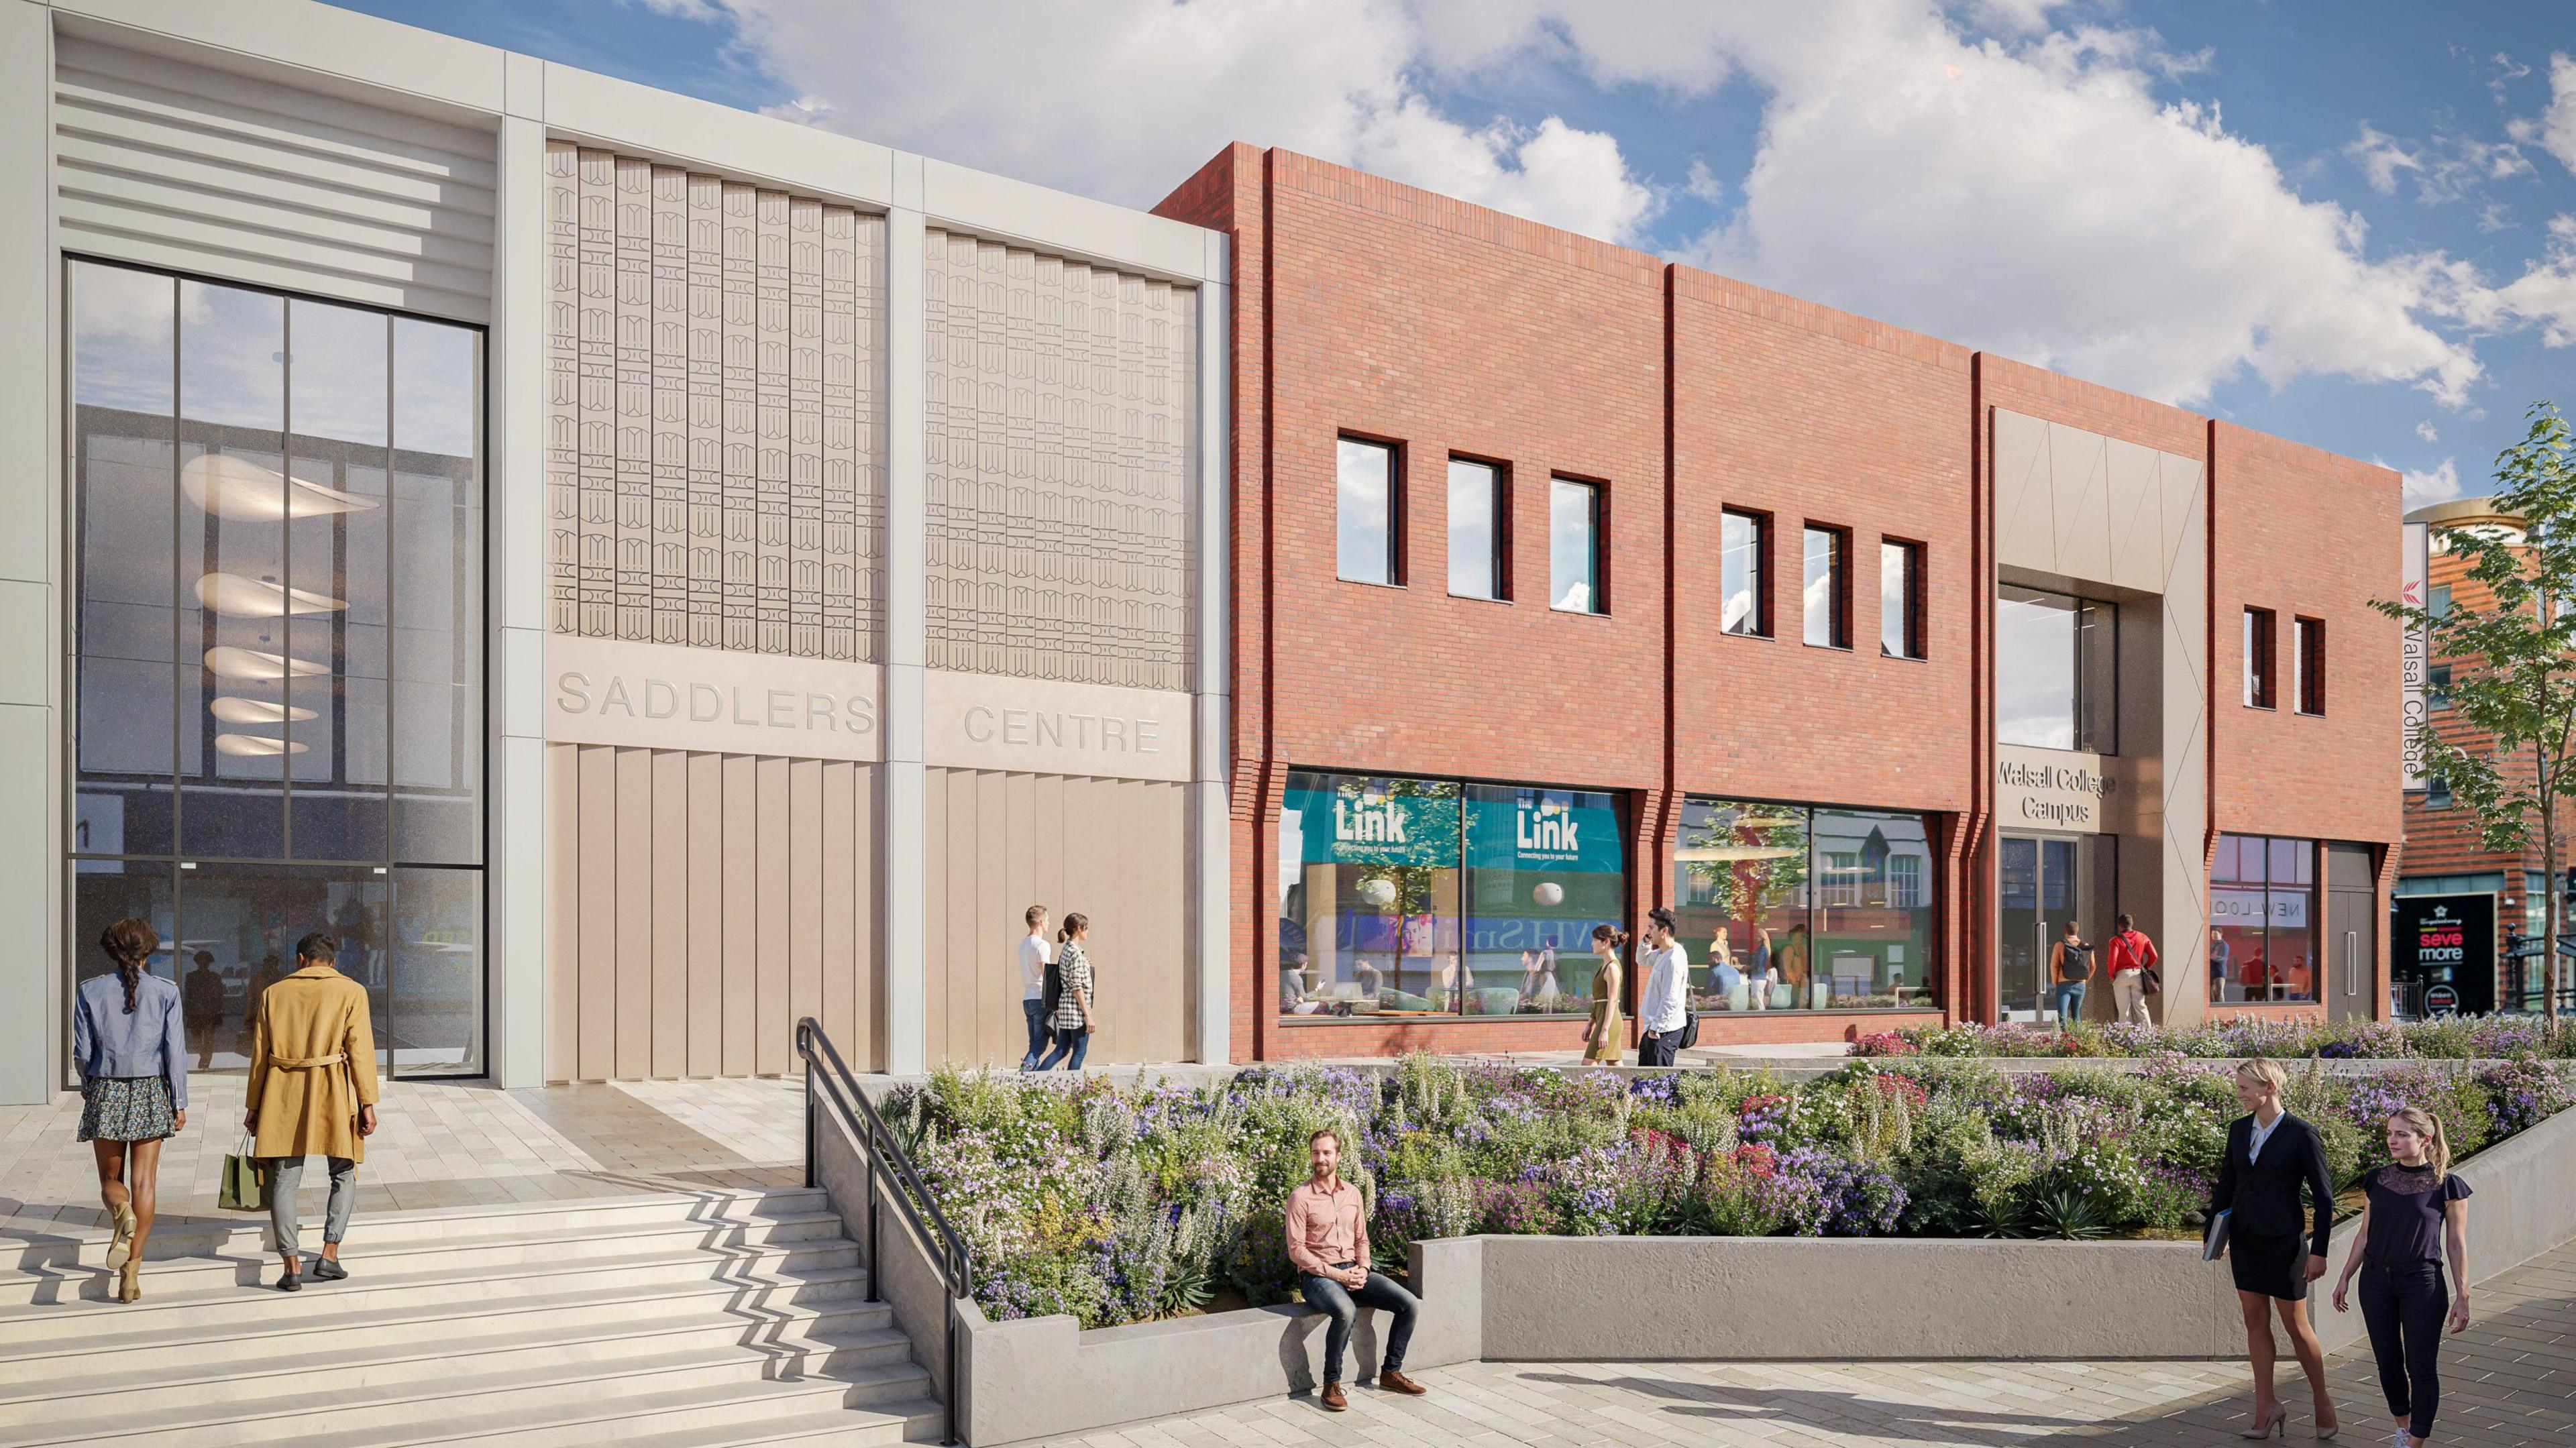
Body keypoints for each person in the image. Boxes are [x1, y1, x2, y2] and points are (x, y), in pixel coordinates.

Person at [2210, 1059, 2339, 1441]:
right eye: (2239, 1087)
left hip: (2285, 1244)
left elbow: (2325, 1197)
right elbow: (2226, 1183)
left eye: (2245, 1088)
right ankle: (2265, 1408)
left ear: (2268, 1088)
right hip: (2246, 1241)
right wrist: (2213, 1234)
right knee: (2254, 1322)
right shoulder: (2238, 1130)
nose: (2240, 1094)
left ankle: (2322, 1400)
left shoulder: (2302, 1134)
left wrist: (2320, 1251)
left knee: (2297, 1327)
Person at [246, 932, 381, 1293]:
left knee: (284, 1180)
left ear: (300, 959)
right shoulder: (351, 991)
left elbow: (260, 1056)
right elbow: (361, 1052)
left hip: (281, 1091)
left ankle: (290, 1265)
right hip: (332, 1088)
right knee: (344, 1172)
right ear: (332, 962)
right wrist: (367, 1102)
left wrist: (254, 1106)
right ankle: (329, 1254)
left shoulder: (273, 993)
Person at [2332, 1107, 2472, 1448]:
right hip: (2376, 1280)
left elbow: (2455, 1244)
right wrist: (2345, 1277)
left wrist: (2463, 1295)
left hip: (2421, 1283)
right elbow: (2364, 1234)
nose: (2392, 1140)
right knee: (2388, 1362)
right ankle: (2403, 1428)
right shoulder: (2376, 1179)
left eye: (2401, 1135)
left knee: (2420, 1366)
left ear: (2425, 1139)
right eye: (2390, 1133)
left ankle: (2415, 1442)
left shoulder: (2447, 1185)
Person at [73, 917, 187, 1304]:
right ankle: (130, 1279)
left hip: (107, 1087)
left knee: (111, 1178)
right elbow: (175, 1052)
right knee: (145, 1183)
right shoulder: (167, 992)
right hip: (151, 1089)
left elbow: (83, 1053)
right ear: (148, 950)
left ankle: (122, 1211)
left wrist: (90, 1088)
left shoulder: (89, 991)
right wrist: (178, 1101)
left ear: (111, 949)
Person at [1286, 1127, 1426, 1410]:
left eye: (1327, 1153)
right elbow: (1297, 1251)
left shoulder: (1352, 1193)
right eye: (1316, 1153)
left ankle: (1390, 1373)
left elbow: (1362, 1238)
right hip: (1317, 1277)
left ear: (1338, 1156)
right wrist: (1337, 1274)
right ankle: (1331, 1384)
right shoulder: (1300, 1197)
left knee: (1409, 1304)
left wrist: (1363, 1267)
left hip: (1353, 1269)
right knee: (1345, 1311)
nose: (1320, 1158)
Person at [1034, 913, 1094, 1071]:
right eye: (1086, 928)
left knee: (1061, 1050)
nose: (1088, 931)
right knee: (1080, 1052)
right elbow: (1076, 987)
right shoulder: (1074, 953)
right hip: (1076, 1012)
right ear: (1079, 929)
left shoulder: (1068, 950)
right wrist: (1088, 1015)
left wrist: (1084, 964)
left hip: (1066, 1009)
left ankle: (1034, 1081)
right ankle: (1073, 1090)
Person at [1635, 907, 1690, 1067]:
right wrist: (1646, 941)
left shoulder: (1674, 958)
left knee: (1659, 1086)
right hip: (1653, 1028)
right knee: (1643, 1082)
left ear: (1664, 930)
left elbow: (1670, 999)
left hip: (1664, 1031)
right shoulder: (1662, 953)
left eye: (1651, 928)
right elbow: (1642, 960)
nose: (1648, 931)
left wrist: (1655, 1029)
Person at [1017, 905, 1054, 1072]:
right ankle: (1022, 1078)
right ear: (1040, 922)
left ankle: (1033, 1084)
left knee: (1034, 1045)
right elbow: (1046, 975)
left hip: (1028, 999)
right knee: (1039, 1046)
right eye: (1046, 920)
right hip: (1040, 998)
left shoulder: (1023, 944)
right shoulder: (1042, 945)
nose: (1048, 923)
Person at [1582, 926, 1626, 1064]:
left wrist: (1604, 1030)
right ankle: (1633, 1086)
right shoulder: (1604, 965)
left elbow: (1612, 1000)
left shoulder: (1612, 967)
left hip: (1609, 1022)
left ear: (1606, 942)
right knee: (1614, 1065)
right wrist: (1591, 1023)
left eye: (1595, 940)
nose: (1592, 943)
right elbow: (1600, 1001)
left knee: (1587, 1066)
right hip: (1604, 1019)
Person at [2106, 913, 2159, 1025]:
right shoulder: (2143, 937)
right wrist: (2145, 967)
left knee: (2124, 1010)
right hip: (2138, 975)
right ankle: (2149, 1036)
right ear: (2132, 924)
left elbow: (2112, 961)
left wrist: (2112, 976)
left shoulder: (2115, 940)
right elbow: (2154, 956)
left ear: (2119, 926)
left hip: (2122, 976)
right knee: (2140, 1006)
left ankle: (2125, 1037)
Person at [182, 950, 226, 1070]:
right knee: (197, 1039)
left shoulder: (215, 977)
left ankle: (206, 1061)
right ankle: (204, 1057)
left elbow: (219, 995)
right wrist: (188, 1010)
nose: (204, 963)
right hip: (195, 1012)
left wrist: (218, 1010)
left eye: (206, 961)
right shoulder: (191, 976)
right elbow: (188, 994)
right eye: (201, 961)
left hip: (209, 1012)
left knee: (208, 1039)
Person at [2049, 921, 2093, 1025]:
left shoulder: (2060, 945)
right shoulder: (2085, 946)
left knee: (2062, 1015)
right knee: (2076, 1015)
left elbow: (2054, 965)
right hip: (2081, 985)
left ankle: (2066, 1040)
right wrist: (2086, 980)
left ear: (2065, 931)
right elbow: (2093, 966)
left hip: (2064, 984)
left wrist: (2056, 982)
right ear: (2078, 932)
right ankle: (2076, 1039)